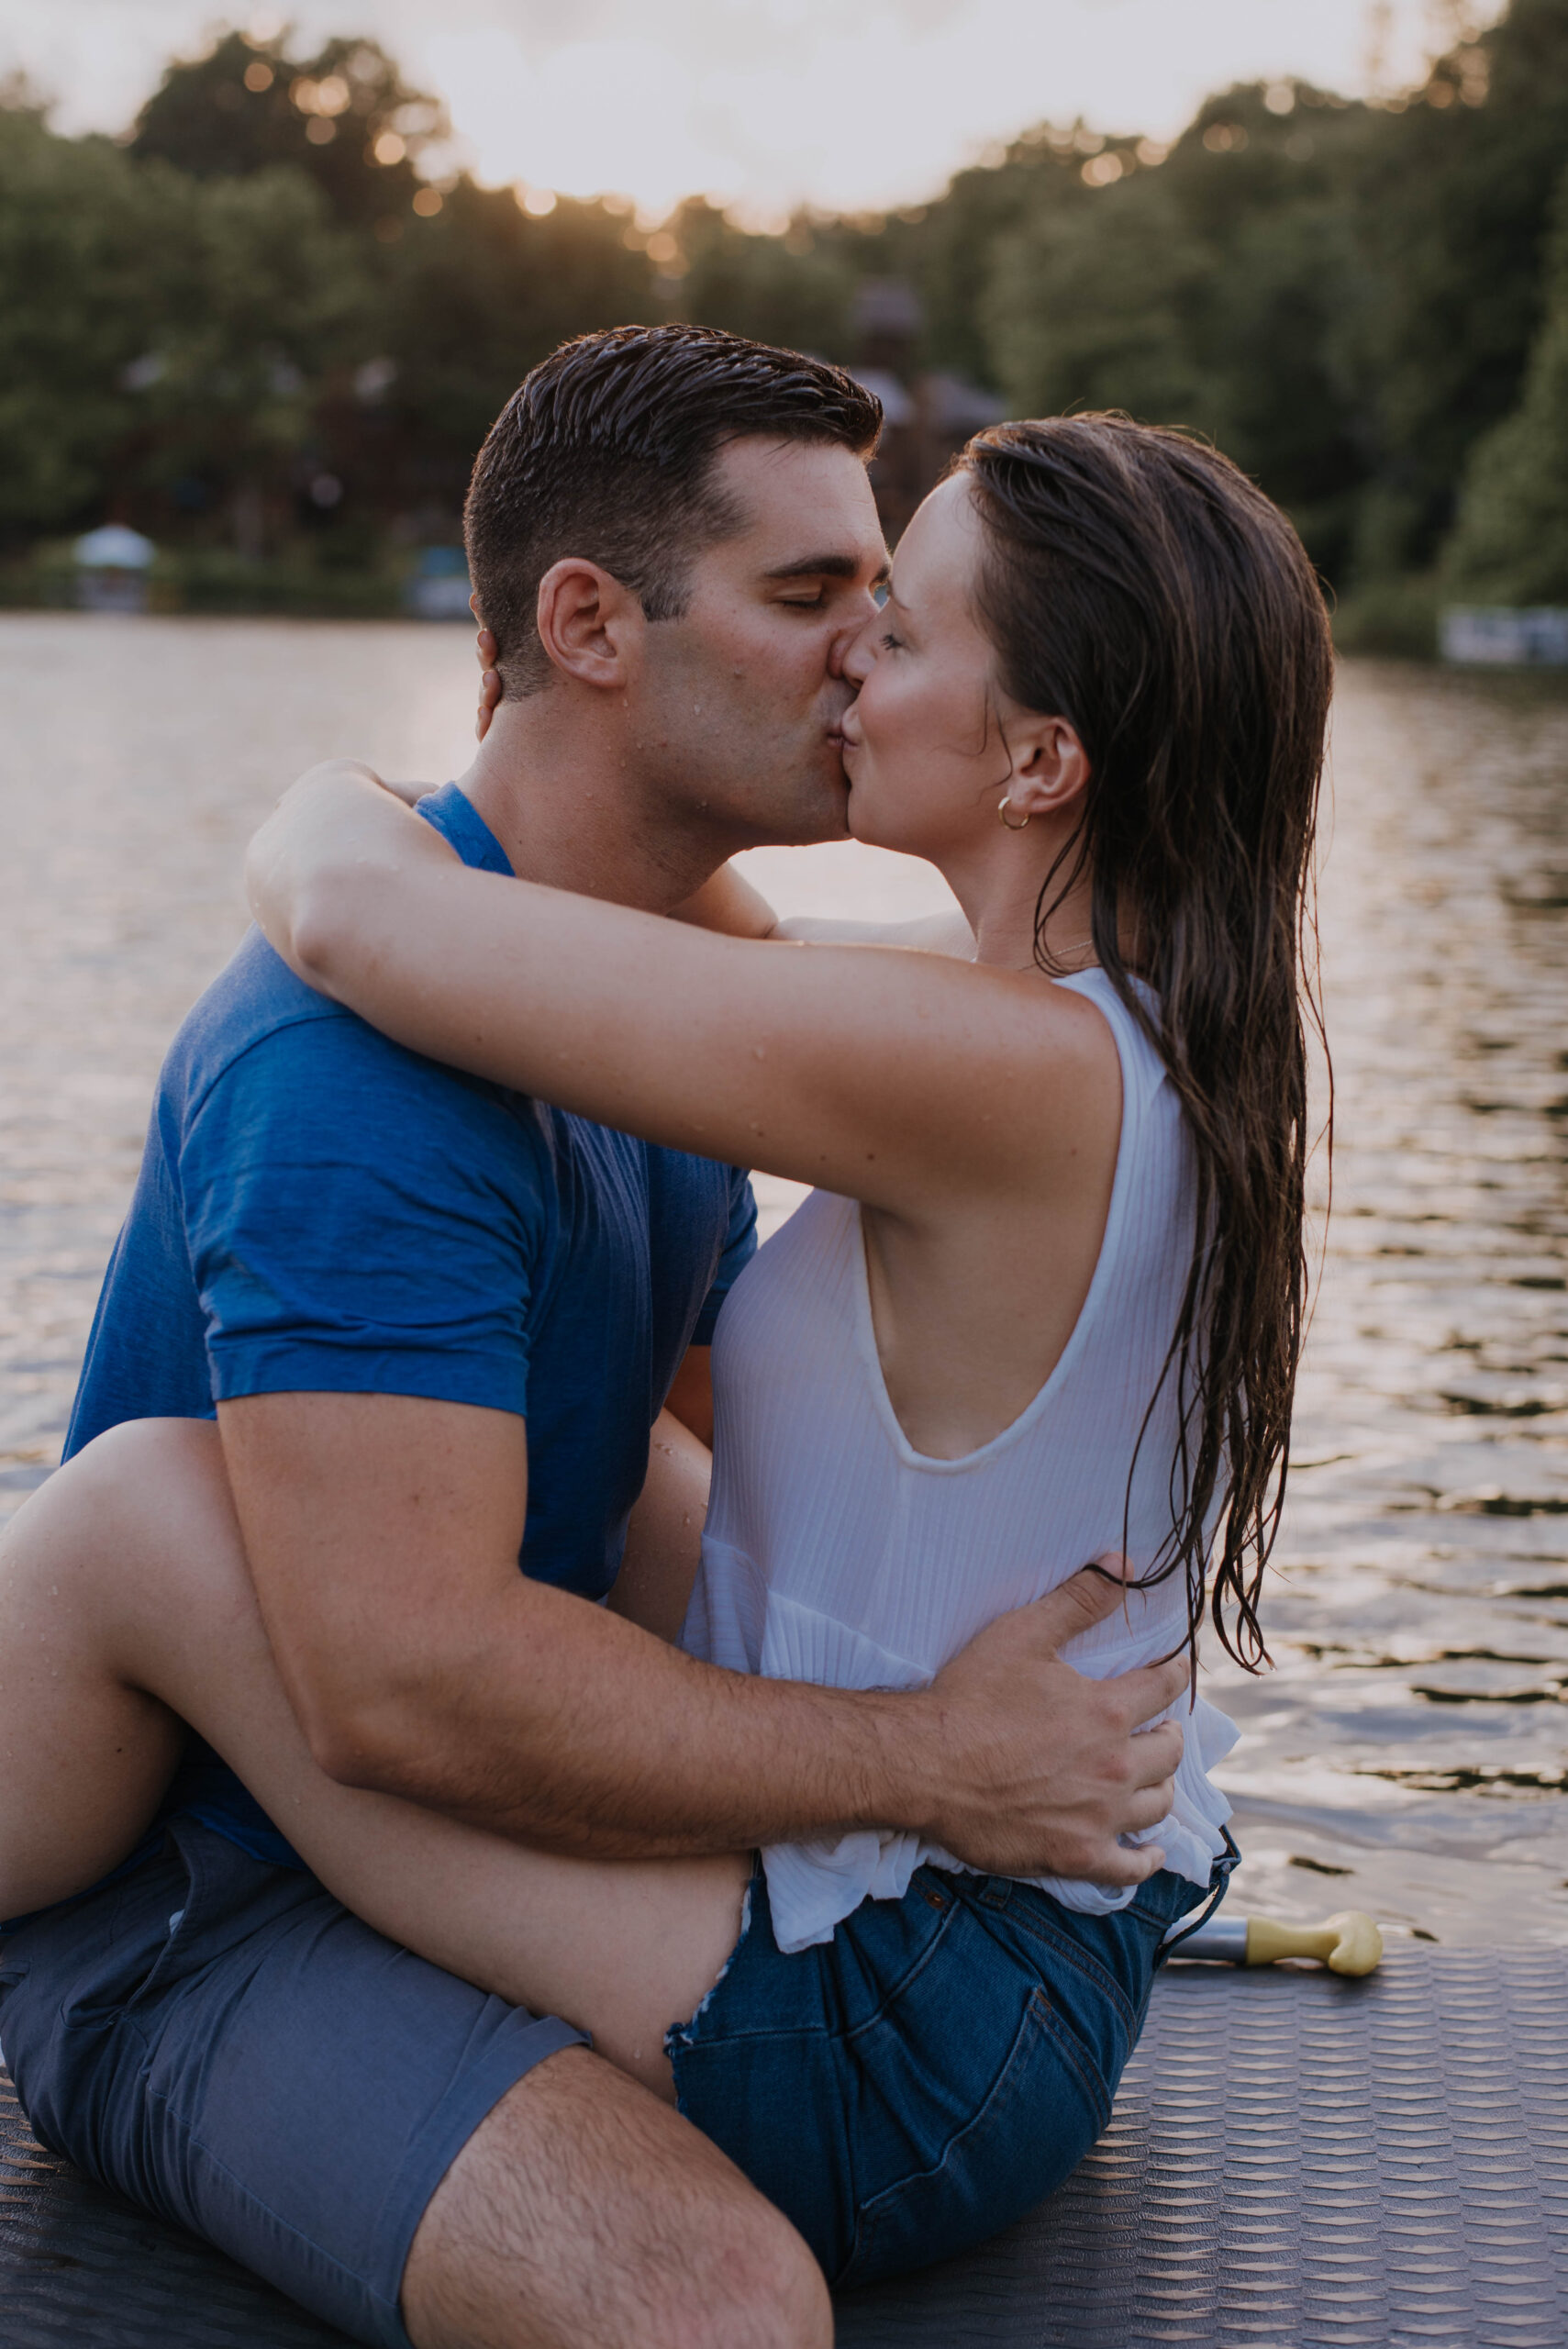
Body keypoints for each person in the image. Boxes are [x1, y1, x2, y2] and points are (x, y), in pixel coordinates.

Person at [0, 328, 1226, 2349]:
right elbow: (399, 1682)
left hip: (492, 1824)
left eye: (887, 607)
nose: (860, 659)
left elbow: (693, 1464)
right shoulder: (357, 1066)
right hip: (222, 1879)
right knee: (716, 2307)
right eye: (813, 596)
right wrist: (928, 1764)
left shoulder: (660, 1005)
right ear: (587, 622)